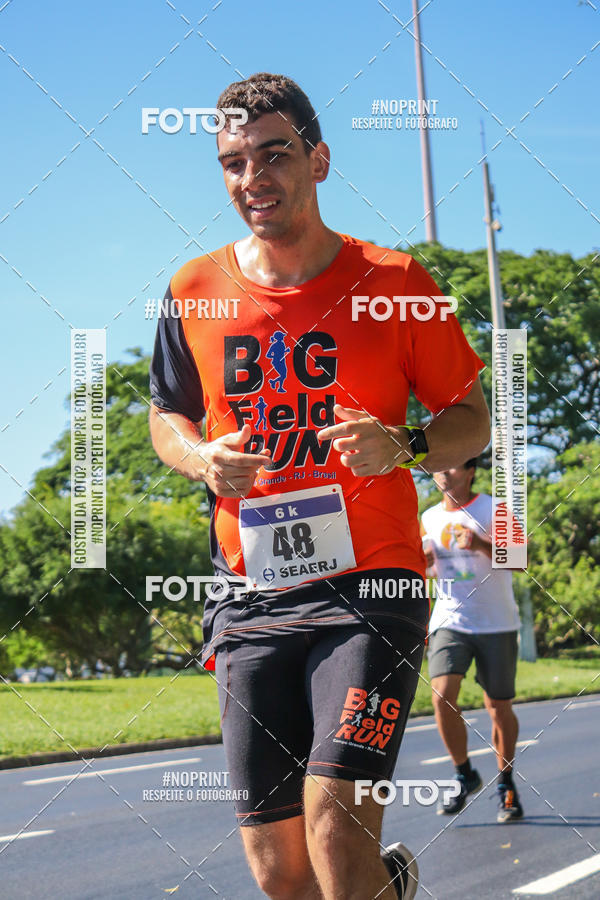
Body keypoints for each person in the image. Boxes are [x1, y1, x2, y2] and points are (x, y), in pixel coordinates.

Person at [149, 72, 490, 899]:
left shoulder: (396, 282)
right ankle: (389, 888)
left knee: (335, 826)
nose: (253, 178)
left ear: (319, 160)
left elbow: (472, 418)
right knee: (281, 874)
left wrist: (404, 443)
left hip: (373, 586)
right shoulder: (193, 290)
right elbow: (167, 417)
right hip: (251, 594)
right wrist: (201, 459)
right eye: (234, 162)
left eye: (274, 155)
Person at [421, 459, 524, 823]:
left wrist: (480, 543)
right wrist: (423, 562)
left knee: (498, 707)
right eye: (438, 468)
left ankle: (506, 784)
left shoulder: (495, 509)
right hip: (450, 619)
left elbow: (520, 559)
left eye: (450, 467)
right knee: (441, 695)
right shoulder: (428, 517)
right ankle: (464, 773)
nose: (443, 473)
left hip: (497, 623)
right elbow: (426, 570)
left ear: (470, 472)